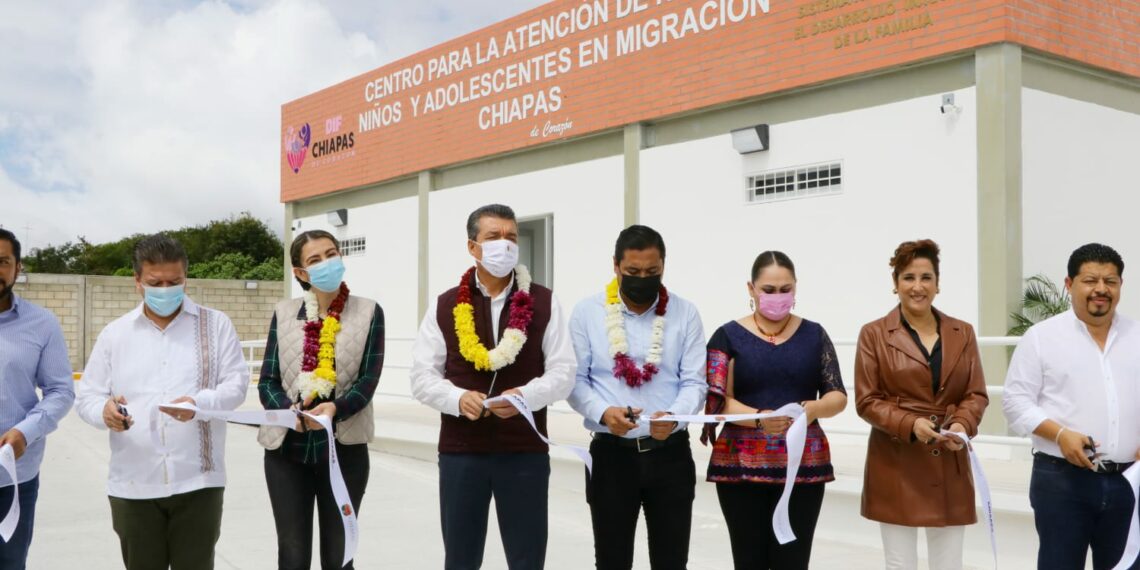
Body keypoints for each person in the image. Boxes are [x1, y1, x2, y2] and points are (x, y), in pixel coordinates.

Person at [410, 204, 575, 570]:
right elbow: (421, 377)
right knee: (461, 559)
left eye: (511, 237)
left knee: (527, 558)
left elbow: (564, 372)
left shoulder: (544, 301)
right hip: (461, 453)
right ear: (473, 247)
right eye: (494, 237)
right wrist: (457, 398)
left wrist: (526, 397)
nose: (505, 245)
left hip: (524, 453)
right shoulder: (446, 304)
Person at [75, 234, 249, 570]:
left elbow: (237, 384)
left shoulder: (216, 325)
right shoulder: (116, 334)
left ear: (186, 277)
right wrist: (105, 412)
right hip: (134, 484)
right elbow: (88, 396)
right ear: (137, 281)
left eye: (175, 281)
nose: (166, 289)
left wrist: (199, 403)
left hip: (199, 481)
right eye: (156, 282)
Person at [567, 224, 707, 570]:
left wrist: (675, 416)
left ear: (663, 266)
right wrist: (603, 412)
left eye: (652, 272)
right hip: (611, 456)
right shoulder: (587, 312)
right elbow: (574, 381)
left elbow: (695, 382)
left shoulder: (685, 313)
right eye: (633, 272)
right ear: (615, 266)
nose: (642, 278)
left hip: (670, 455)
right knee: (612, 561)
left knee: (672, 561)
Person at [702, 251, 847, 569]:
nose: (777, 297)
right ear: (751, 289)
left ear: (795, 289)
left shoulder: (814, 335)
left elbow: (838, 395)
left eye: (785, 289)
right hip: (740, 468)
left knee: (793, 561)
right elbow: (717, 399)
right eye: (768, 290)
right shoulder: (727, 335)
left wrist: (815, 409)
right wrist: (759, 419)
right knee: (748, 559)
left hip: (803, 469)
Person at [1003, 243, 1140, 569]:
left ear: (1120, 285)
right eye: (1090, 280)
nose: (1101, 289)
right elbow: (1015, 402)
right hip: (1062, 482)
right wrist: (1060, 434)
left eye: (1111, 281)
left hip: (1129, 484)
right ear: (1069, 284)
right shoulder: (1041, 337)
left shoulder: (1137, 336)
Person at [855, 239, 988, 570]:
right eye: (908, 278)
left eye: (926, 277)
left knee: (949, 564)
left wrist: (961, 425)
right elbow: (867, 400)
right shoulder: (873, 334)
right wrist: (910, 424)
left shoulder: (963, 333)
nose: (918, 287)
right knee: (900, 564)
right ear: (895, 284)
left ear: (938, 284)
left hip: (950, 460)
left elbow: (975, 394)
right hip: (896, 462)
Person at [257, 230, 384, 570]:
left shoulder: (369, 312)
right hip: (286, 452)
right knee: (293, 555)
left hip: (344, 450)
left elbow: (367, 381)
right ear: (300, 272)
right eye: (315, 260)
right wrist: (287, 411)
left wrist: (336, 409)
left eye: (331, 254)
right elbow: (267, 380)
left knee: (340, 556)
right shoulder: (284, 313)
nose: (327, 263)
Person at [0, 228, 75, 569]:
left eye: (3, 261)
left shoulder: (42, 323)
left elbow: (60, 391)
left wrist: (25, 432)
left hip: (13, 477)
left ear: (17, 268)